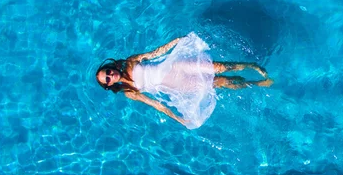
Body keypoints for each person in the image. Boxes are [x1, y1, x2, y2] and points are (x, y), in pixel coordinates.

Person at [95, 32, 273, 129]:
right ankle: (256, 84)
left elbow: (154, 54)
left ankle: (252, 66)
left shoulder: (129, 61)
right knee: (221, 82)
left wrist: (175, 42)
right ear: (109, 85)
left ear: (111, 66)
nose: (111, 76)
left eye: (108, 72)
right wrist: (178, 119)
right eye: (107, 79)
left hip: (177, 66)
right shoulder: (129, 91)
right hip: (178, 85)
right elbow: (156, 104)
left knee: (219, 67)